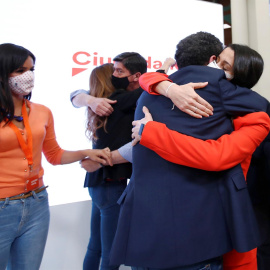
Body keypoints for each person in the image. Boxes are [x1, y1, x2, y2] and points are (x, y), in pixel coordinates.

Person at [109, 32, 270, 270]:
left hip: (146, 227)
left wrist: (160, 92)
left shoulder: (147, 95)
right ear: (211, 59)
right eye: (219, 63)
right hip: (198, 230)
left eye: (226, 66)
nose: (220, 70)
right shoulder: (219, 89)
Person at [0, 43, 112, 270]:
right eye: (20, 71)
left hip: (36, 203)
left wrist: (86, 153)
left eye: (32, 69)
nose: (29, 76)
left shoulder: (42, 111)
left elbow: (54, 155)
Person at [71, 53, 148, 270]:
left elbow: (75, 94)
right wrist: (164, 69)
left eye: (119, 71)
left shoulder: (100, 103)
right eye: (114, 72)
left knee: (96, 246)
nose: (117, 75)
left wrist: (88, 99)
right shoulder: (117, 100)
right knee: (111, 252)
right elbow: (148, 88)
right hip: (111, 182)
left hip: (98, 182)